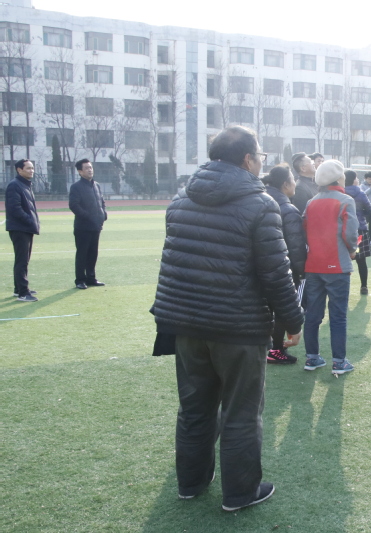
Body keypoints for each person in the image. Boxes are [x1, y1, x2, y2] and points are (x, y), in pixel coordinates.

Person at [150, 126, 304, 511]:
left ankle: (191, 483)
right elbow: (276, 274)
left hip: (186, 322)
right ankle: (240, 493)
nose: (261, 163)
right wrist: (293, 321)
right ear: (248, 159)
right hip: (237, 326)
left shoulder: (181, 200)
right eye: (260, 156)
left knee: (195, 409)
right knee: (241, 413)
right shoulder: (260, 204)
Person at [302, 160, 358, 373]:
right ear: (338, 178)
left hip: (313, 265)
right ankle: (339, 361)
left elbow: (304, 228)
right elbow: (350, 233)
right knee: (338, 316)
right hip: (337, 266)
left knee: (312, 315)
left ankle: (311, 358)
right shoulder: (345, 200)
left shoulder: (311, 202)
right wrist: (352, 249)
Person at [262, 163, 306, 365]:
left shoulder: (260, 201)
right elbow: (296, 246)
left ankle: (270, 347)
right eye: (293, 180)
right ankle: (276, 349)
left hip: (259, 266)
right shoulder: (287, 209)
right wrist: (301, 271)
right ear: (286, 184)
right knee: (283, 307)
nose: (295, 183)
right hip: (281, 268)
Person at [69, 159, 108, 290]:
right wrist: (88, 216)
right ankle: (80, 280)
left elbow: (101, 201)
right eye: (86, 168)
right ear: (80, 171)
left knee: (93, 253)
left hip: (96, 225)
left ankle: (91, 278)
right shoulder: (76, 187)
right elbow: (74, 205)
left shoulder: (96, 185)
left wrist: (103, 214)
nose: (90, 170)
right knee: (82, 254)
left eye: (90, 167)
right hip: (83, 227)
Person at [5, 159, 40, 302]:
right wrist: (30, 220)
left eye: (32, 168)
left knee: (23, 260)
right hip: (20, 228)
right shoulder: (15, 185)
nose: (31, 171)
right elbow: (15, 208)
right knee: (22, 260)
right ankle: (23, 293)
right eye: (28, 168)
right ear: (19, 170)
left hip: (25, 227)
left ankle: (18, 288)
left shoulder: (25, 184)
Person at [344, 170, 371, 295]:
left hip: (343, 231)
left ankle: (344, 287)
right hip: (359, 231)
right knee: (361, 259)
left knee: (343, 259)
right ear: (353, 180)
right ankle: (364, 286)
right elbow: (369, 210)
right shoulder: (360, 193)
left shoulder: (340, 193)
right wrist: (361, 218)